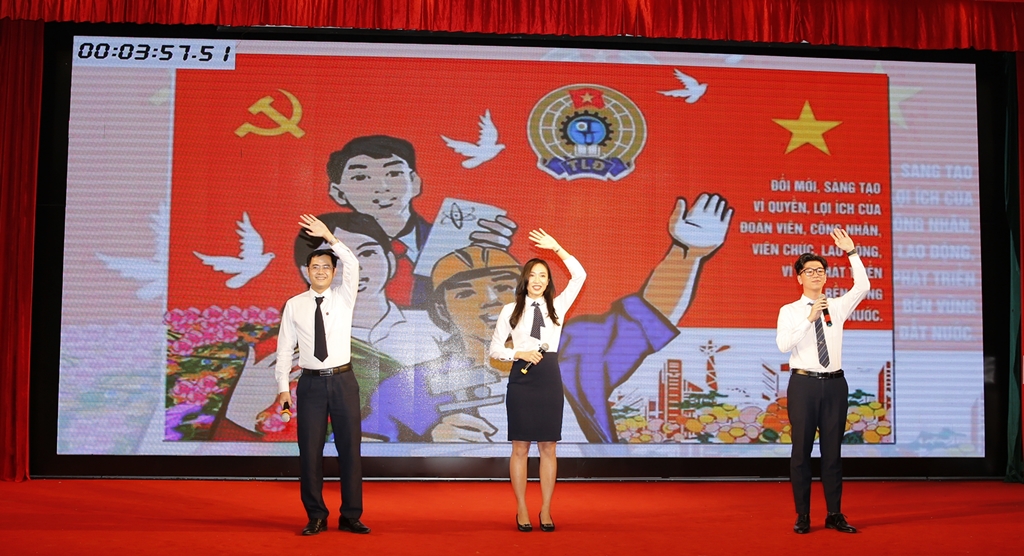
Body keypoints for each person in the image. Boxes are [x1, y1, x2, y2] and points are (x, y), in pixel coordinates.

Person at [326, 135, 516, 307]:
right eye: (361, 177)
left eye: (393, 173)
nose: (382, 187)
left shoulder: (455, 242)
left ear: (415, 182)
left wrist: (489, 261)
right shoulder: (329, 250)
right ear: (338, 193)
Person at [275, 214, 370, 536]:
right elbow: (284, 350)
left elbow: (352, 263)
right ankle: (316, 515)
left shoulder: (344, 297)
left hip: (343, 382)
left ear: (333, 272)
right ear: (307, 271)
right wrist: (283, 388)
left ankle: (351, 515)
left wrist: (330, 237)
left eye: (326, 267)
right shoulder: (294, 305)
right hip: (311, 384)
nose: (320, 271)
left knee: (350, 451)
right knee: (310, 453)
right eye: (315, 267)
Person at [489, 229, 587, 533]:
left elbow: (580, 276)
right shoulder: (510, 310)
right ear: (525, 279)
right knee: (520, 447)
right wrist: (519, 353)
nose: (537, 280)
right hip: (521, 378)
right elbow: (494, 350)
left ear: (548, 281)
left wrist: (557, 248)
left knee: (548, 446)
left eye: (543, 275)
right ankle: (521, 507)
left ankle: (545, 509)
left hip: (548, 378)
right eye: (532, 275)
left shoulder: (557, 306)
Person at [776, 228, 867, 535]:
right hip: (804, 385)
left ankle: (834, 514)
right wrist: (809, 318)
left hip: (835, 385)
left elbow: (863, 286)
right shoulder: (790, 311)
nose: (815, 275)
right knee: (801, 452)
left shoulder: (837, 306)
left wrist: (851, 252)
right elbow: (783, 345)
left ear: (826, 276)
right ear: (799, 278)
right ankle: (803, 515)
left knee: (832, 452)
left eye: (820, 270)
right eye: (809, 271)